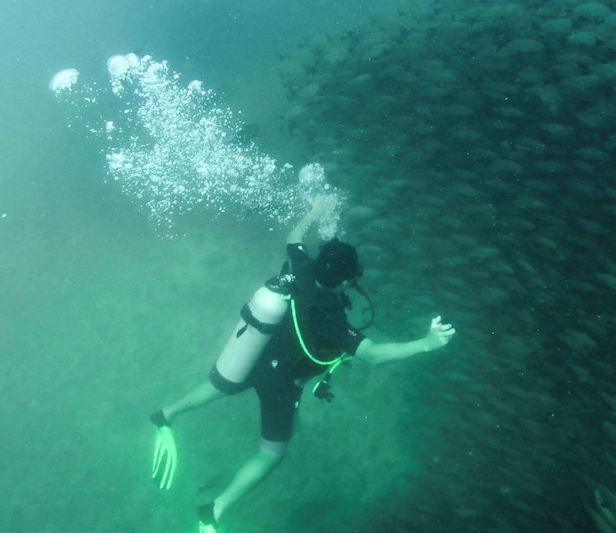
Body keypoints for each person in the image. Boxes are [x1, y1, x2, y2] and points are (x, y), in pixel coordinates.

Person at [149, 196, 457, 532]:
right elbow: (373, 354)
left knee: (220, 385)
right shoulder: (331, 319)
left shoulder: (300, 265)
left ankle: (166, 416)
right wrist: (426, 343)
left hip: (255, 355)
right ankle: (213, 511)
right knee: (271, 455)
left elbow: (293, 238)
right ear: (345, 281)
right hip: (282, 385)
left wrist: (314, 212)